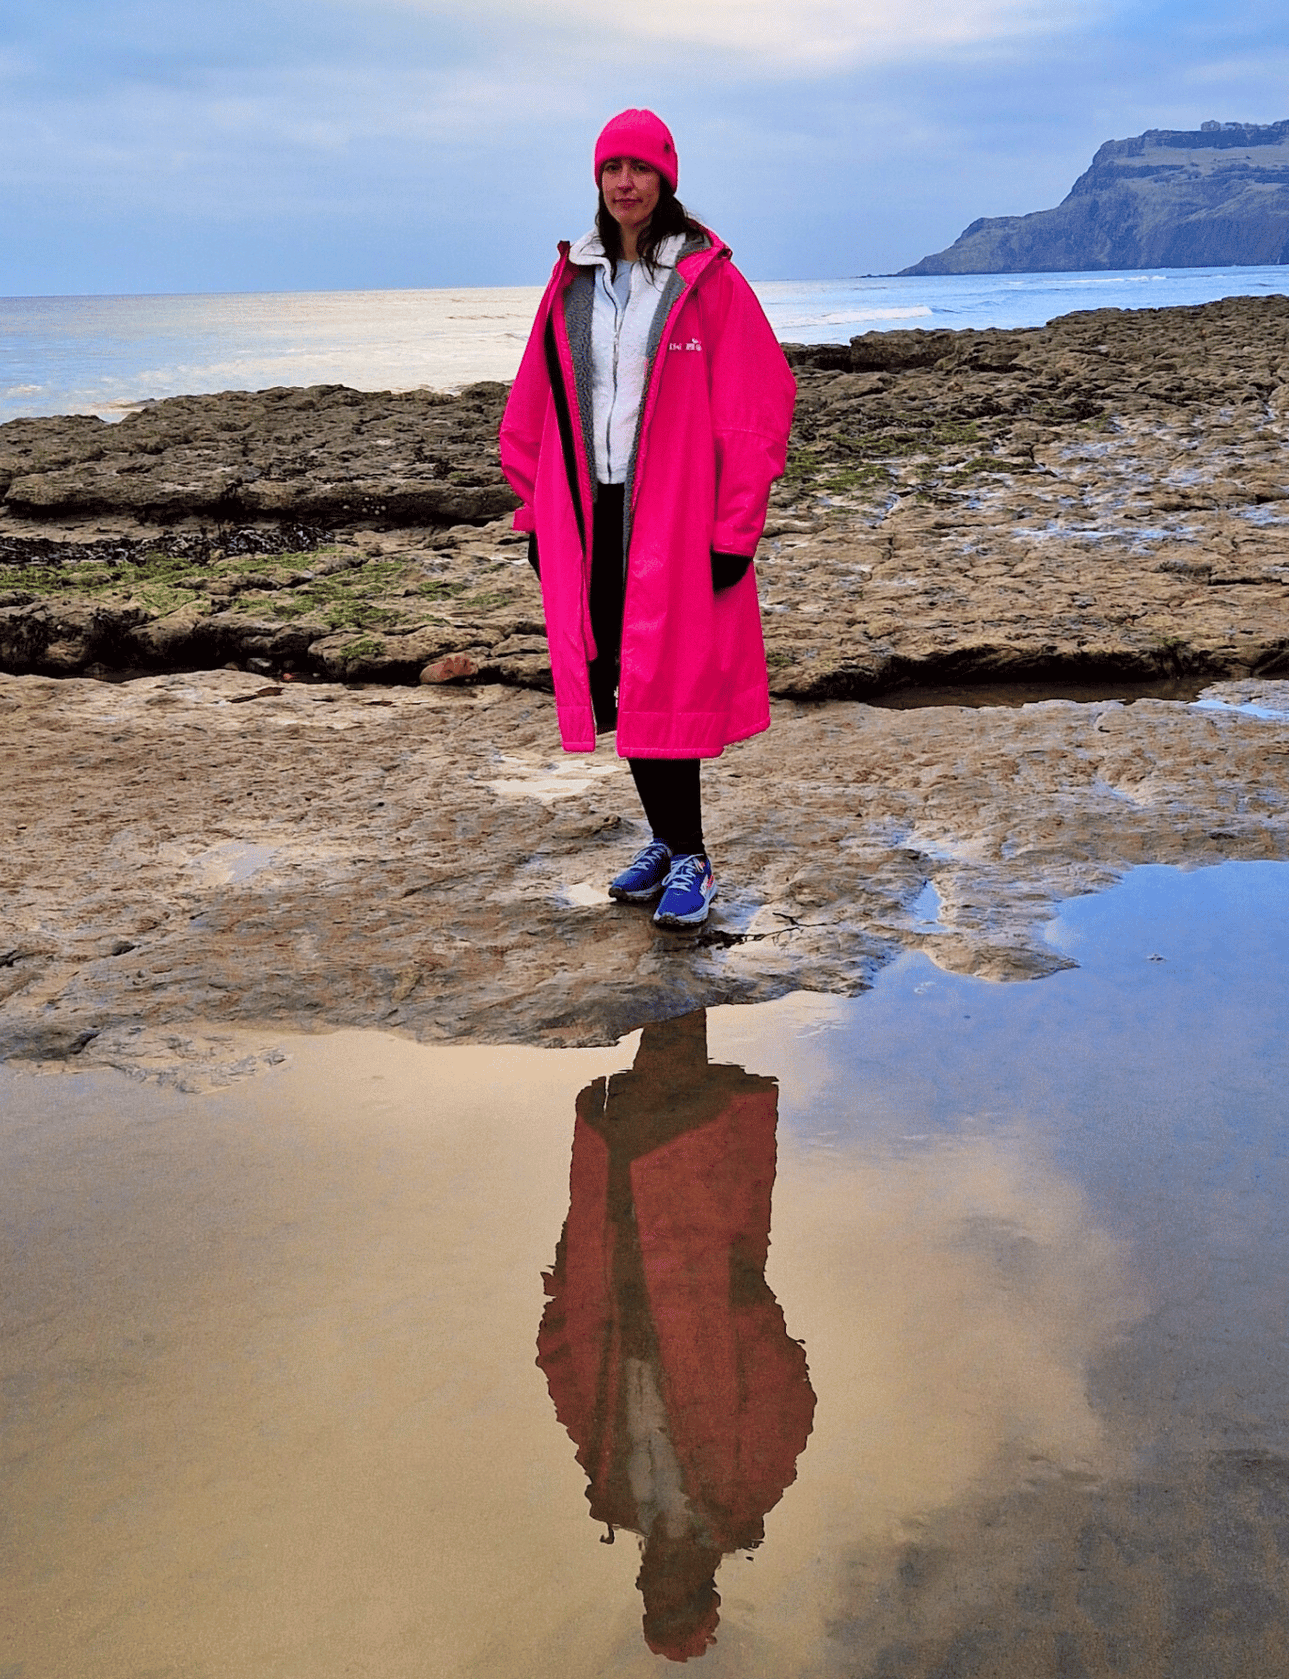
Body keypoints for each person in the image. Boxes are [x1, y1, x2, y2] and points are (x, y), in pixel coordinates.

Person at [499, 109, 796, 930]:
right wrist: (534, 512)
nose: (624, 182)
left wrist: (734, 529)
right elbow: (533, 404)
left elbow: (757, 405)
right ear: (596, 182)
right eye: (610, 169)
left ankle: (692, 854)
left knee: (666, 679)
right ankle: (665, 842)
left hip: (672, 513)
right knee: (622, 680)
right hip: (590, 514)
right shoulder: (575, 283)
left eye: (638, 167)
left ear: (665, 177)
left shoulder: (706, 281)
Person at [536, 1008, 816, 1662]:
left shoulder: (612, 1495)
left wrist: (568, 1279)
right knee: (676, 1115)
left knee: (641, 1116)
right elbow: (788, 1392)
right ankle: (678, 968)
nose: (657, 1582)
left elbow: (568, 1376)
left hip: (619, 1263)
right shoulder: (744, 1493)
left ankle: (670, 976)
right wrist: (736, 1310)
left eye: (653, 1597)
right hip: (691, 1269)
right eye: (672, 1596)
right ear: (699, 1586)